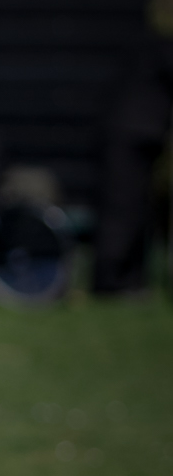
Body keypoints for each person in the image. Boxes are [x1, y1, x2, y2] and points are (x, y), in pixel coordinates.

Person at [95, 38, 173, 297]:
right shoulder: (162, 45)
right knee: (123, 211)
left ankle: (130, 280)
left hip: (139, 137)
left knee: (136, 211)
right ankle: (111, 282)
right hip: (129, 138)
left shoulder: (150, 43)